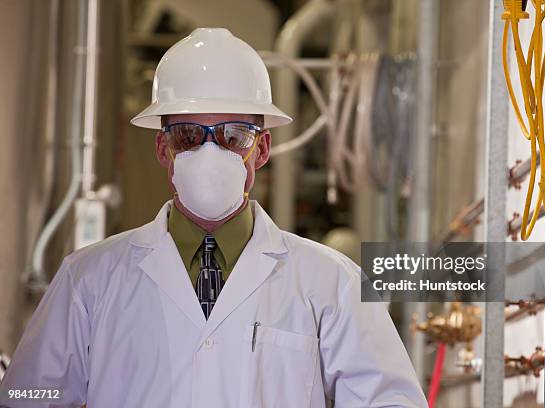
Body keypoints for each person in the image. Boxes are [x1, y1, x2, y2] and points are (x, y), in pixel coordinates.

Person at [0, 28, 427, 407]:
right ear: (162, 148)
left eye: (233, 135)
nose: (210, 151)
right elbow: (27, 396)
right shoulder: (88, 280)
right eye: (188, 135)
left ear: (260, 150)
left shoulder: (332, 282)